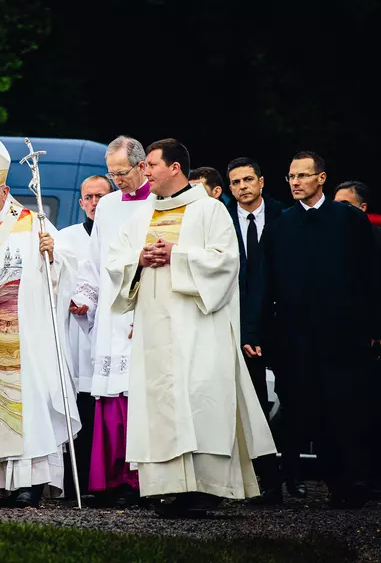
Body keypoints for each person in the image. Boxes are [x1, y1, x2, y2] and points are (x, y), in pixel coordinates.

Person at [106, 138, 275, 518]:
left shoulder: (209, 210)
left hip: (199, 327)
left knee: (200, 400)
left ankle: (206, 488)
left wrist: (176, 256)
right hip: (154, 328)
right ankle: (169, 487)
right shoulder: (141, 215)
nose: (144, 171)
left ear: (175, 168)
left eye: (150, 165)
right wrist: (139, 258)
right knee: (163, 403)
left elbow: (226, 262)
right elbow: (115, 259)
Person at [0, 130, 80, 508]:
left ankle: (28, 482)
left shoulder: (31, 222)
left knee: (29, 405)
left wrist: (53, 255)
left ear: (5, 191)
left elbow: (67, 268)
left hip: (24, 337)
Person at [262, 152, 379, 508]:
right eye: (290, 177)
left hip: (343, 337)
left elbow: (369, 276)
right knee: (308, 410)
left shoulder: (348, 220)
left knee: (347, 408)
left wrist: (370, 328)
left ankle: (354, 481)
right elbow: (271, 282)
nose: (295, 182)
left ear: (322, 178)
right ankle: (330, 481)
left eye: (302, 175)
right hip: (298, 340)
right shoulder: (281, 225)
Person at [68, 136, 152, 505]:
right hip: (109, 318)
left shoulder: (157, 204)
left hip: (141, 312)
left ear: (143, 166)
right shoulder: (108, 207)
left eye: (123, 172)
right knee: (108, 399)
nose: (117, 180)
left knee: (136, 399)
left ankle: (139, 481)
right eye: (111, 173)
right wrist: (85, 297)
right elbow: (93, 261)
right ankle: (110, 480)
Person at [334, 180, 381, 499]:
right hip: (348, 340)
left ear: (363, 208)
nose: (340, 211)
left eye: (346, 205)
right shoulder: (333, 242)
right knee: (356, 411)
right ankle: (364, 475)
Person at [224, 157, 286, 504]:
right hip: (243, 325)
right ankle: (268, 482)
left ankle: (294, 474)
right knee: (255, 404)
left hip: (285, 322)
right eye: (236, 182)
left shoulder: (283, 216)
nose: (243, 186)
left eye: (248, 179)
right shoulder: (223, 218)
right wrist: (249, 331)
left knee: (296, 399)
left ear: (261, 182)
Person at [57, 174, 117, 503]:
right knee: (78, 408)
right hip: (74, 337)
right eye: (89, 197)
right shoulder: (66, 238)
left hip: (109, 335)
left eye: (100, 197)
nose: (94, 203)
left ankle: (108, 481)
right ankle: (75, 481)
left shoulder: (119, 234)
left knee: (105, 409)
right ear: (80, 203)